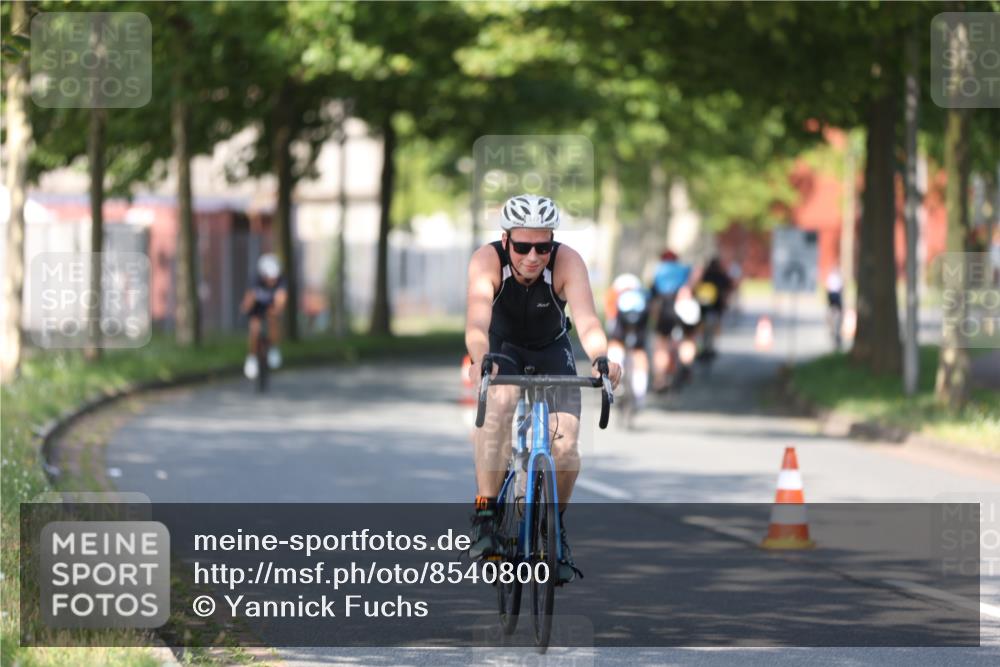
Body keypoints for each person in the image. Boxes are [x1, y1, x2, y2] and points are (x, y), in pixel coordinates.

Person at [464, 193, 622, 583]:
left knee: (565, 445)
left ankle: (554, 530)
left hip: (552, 349)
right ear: (506, 242)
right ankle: (486, 514)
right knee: (499, 401)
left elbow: (586, 322)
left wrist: (602, 358)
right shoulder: (487, 261)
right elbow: (476, 322)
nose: (533, 256)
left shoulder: (568, 262)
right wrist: (481, 359)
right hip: (503, 348)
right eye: (522, 246)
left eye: (543, 246)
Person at [648, 250, 696, 392]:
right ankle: (686, 364)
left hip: (665, 308)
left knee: (661, 344)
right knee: (688, 339)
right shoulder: (684, 269)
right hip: (684, 308)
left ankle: (660, 379)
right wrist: (688, 288)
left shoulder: (659, 271)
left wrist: (654, 318)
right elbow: (698, 270)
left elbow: (653, 297)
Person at [607, 273, 650, 409]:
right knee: (639, 353)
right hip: (640, 320)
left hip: (621, 320)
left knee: (615, 344)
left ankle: (617, 383)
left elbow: (611, 314)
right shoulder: (640, 291)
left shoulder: (615, 291)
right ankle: (640, 393)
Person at [241, 253, 287, 379]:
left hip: (271, 307)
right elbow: (247, 302)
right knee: (254, 329)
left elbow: (281, 299)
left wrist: (277, 309)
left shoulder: (281, 281)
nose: (273, 281)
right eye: (270, 278)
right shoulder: (255, 280)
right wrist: (247, 305)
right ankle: (252, 357)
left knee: (273, 321)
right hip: (257, 308)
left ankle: (273, 348)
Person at [693, 257, 734, 360]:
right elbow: (729, 287)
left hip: (702, 308)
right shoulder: (721, 276)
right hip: (715, 308)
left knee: (701, 329)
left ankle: (700, 348)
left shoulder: (704, 275)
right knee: (711, 329)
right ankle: (709, 347)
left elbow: (695, 287)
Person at [825, 268, 844, 350]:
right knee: (837, 313)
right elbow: (841, 288)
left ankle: (833, 327)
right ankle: (834, 328)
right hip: (835, 296)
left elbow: (828, 288)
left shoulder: (831, 277)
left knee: (833, 312)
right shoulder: (836, 277)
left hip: (832, 296)